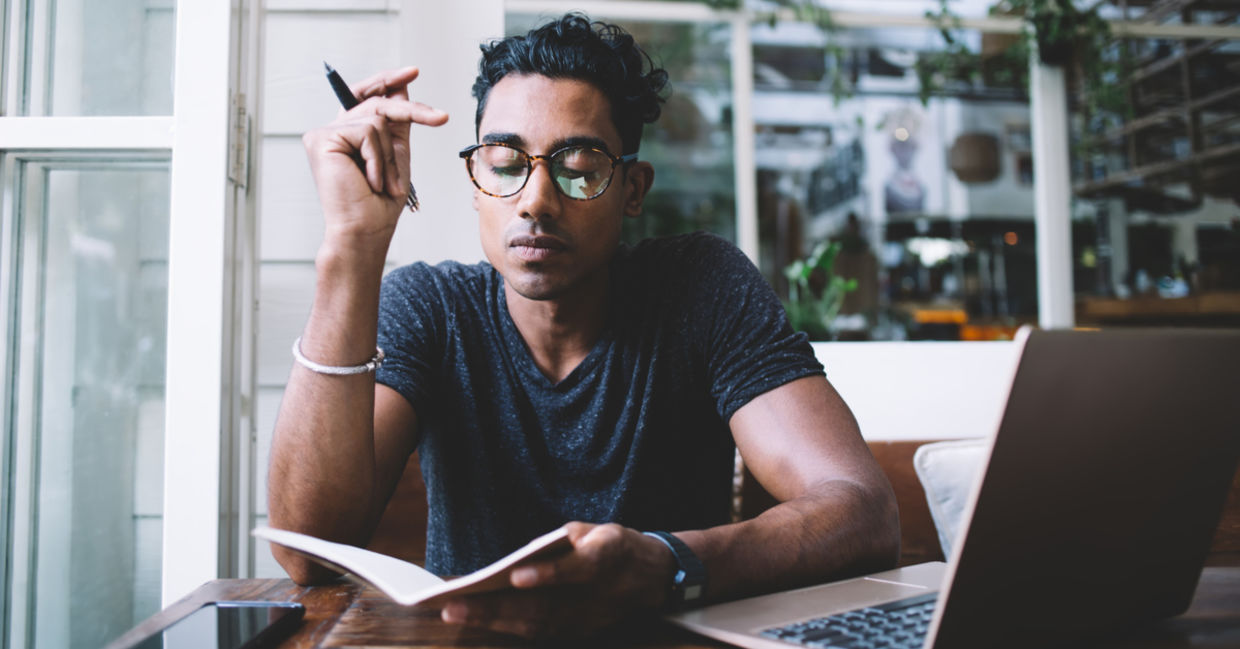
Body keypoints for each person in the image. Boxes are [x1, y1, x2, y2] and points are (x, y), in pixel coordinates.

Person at [268, 13, 899, 639]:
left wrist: (665, 563)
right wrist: (351, 244)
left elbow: (863, 512)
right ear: (475, 182)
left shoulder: (700, 288)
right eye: (505, 160)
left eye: (579, 165)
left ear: (632, 188)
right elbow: (306, 553)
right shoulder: (433, 309)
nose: (537, 199)